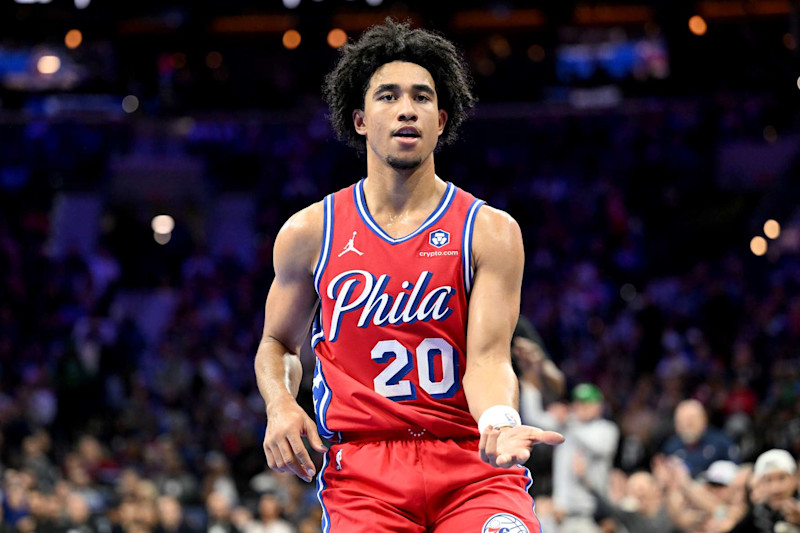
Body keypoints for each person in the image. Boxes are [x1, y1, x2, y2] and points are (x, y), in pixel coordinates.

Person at [253, 18, 564, 533]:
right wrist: (281, 404)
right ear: (359, 119)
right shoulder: (310, 232)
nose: (406, 109)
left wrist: (499, 420)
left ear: (441, 120)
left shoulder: (489, 231)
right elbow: (277, 344)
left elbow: (488, 358)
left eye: (422, 98)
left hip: (472, 463)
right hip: (364, 472)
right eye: (388, 96)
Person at [661, 399, 738, 477]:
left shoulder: (721, 443)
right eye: (682, 420)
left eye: (692, 419)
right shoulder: (671, 447)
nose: (688, 425)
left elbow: (736, 470)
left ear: (704, 419)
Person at [729, 449, 800, 533]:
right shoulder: (756, 515)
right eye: (768, 480)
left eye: (782, 478)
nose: (775, 488)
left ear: (794, 479)